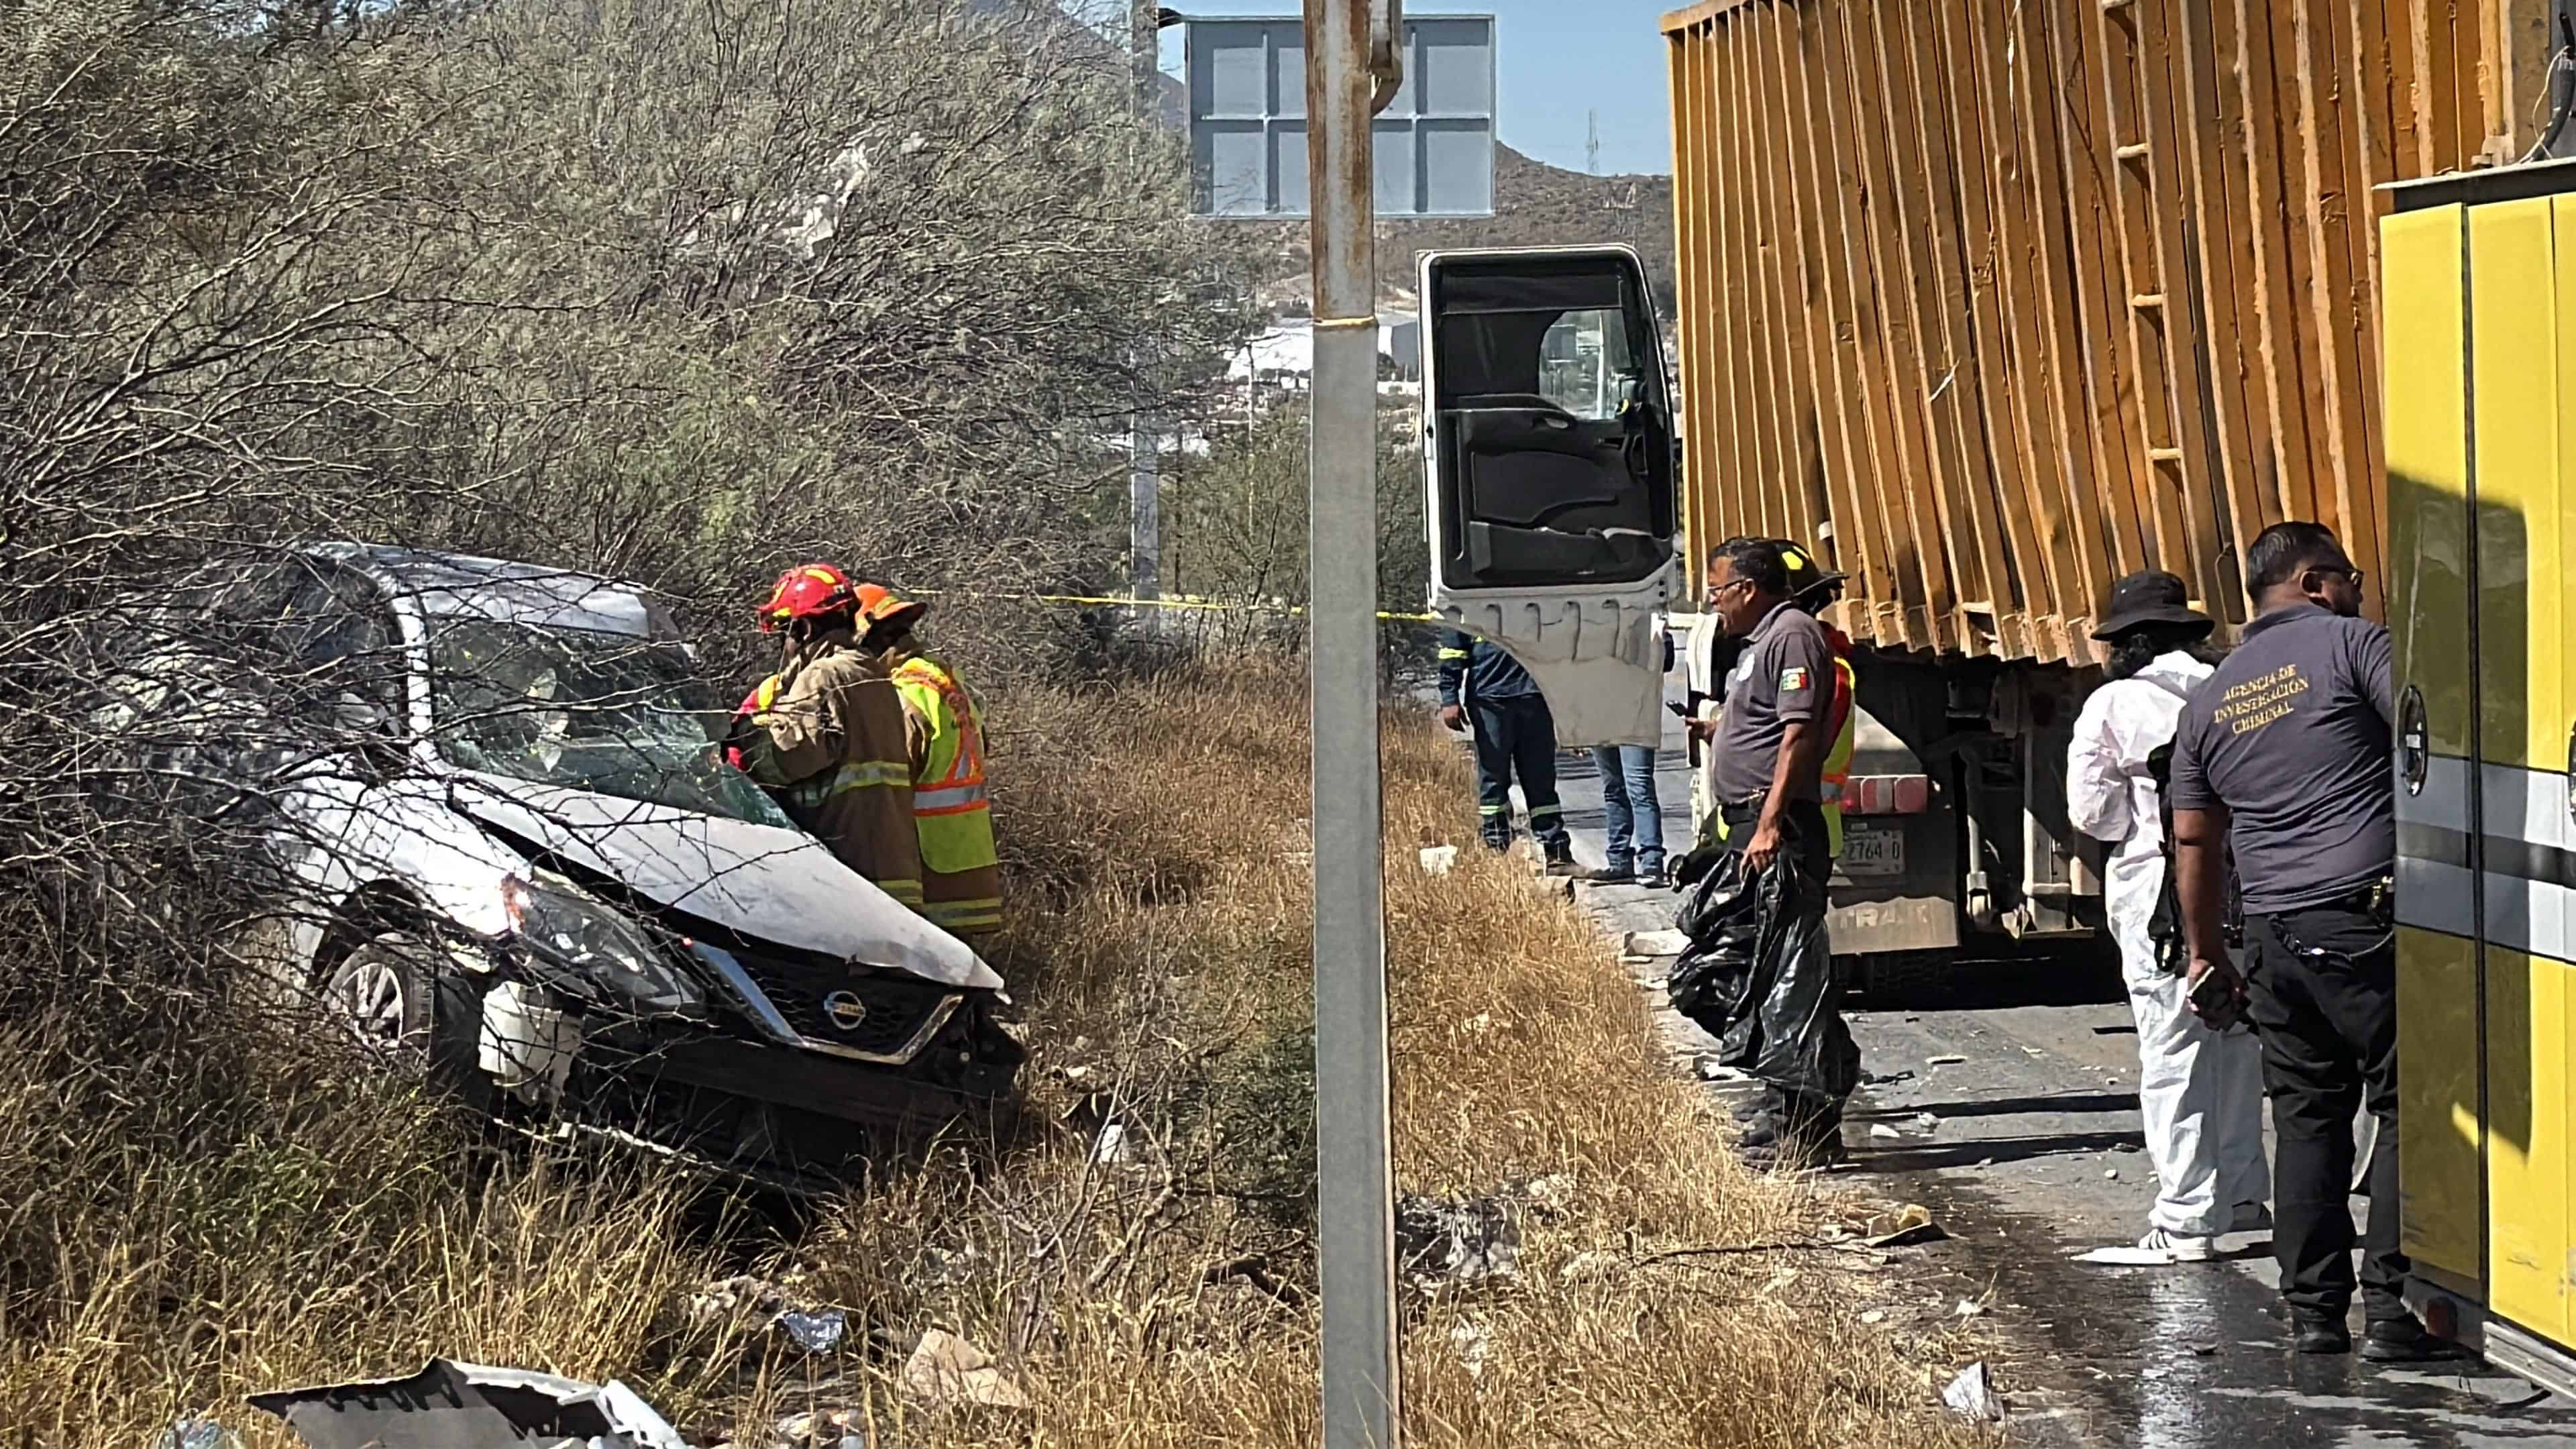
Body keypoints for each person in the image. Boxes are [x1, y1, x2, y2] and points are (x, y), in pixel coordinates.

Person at [2168, 523, 2447, 1360]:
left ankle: (2314, 1314)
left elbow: (2193, 840)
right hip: (2364, 921)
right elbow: (2432, 740)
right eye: (2350, 576)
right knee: (2405, 1103)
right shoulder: (2356, 647)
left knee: (2308, 1118)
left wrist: (2206, 955)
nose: (2359, 590)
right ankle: (2393, 1309)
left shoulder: (2209, 699)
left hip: (2272, 936)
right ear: (2318, 581)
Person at [2065, 571, 2270, 1264]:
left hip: (2157, 892)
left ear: (2127, 645)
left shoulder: (2113, 704)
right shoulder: (2235, 689)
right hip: (2244, 882)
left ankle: (2184, 1218)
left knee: (2172, 1047)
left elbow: (2094, 814)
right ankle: (2242, 1194)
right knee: (2236, 1039)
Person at [1682, 536, 1860, 1167]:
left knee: (1789, 982)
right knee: (1751, 975)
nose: (1714, 605)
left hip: (1780, 834)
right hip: (1752, 826)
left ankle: (1805, 1130)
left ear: (1748, 589)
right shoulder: (1763, 643)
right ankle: (1793, 1099)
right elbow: (1768, 725)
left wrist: (1769, 823)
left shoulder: (1793, 637)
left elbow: (1798, 735)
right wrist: (1720, 730)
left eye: (1718, 592)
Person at [728, 563, 925, 913]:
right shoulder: (872, 675)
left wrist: (738, 731)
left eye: (785, 634)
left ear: (803, 629)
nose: (784, 647)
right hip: (892, 876)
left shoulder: (824, 676)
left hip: (848, 879)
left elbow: (783, 759)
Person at [858, 583, 1003, 943]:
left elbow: (892, 780)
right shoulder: (948, 683)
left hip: (930, 873)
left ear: (871, 640)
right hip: (971, 865)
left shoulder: (904, 694)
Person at [1437, 629, 1575, 875]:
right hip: (1489, 700)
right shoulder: (1468, 605)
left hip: (1536, 697)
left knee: (1541, 780)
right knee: (1493, 779)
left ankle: (1557, 853)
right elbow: (1452, 650)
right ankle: (1496, 850)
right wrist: (1450, 698)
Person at [1589, 621, 1673, 888]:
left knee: (1639, 787)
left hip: (1636, 716)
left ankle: (1652, 863)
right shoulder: (1585, 621)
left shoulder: (1643, 618)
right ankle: (1619, 862)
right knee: (1614, 789)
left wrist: (1657, 637)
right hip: (1599, 715)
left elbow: (1666, 659)